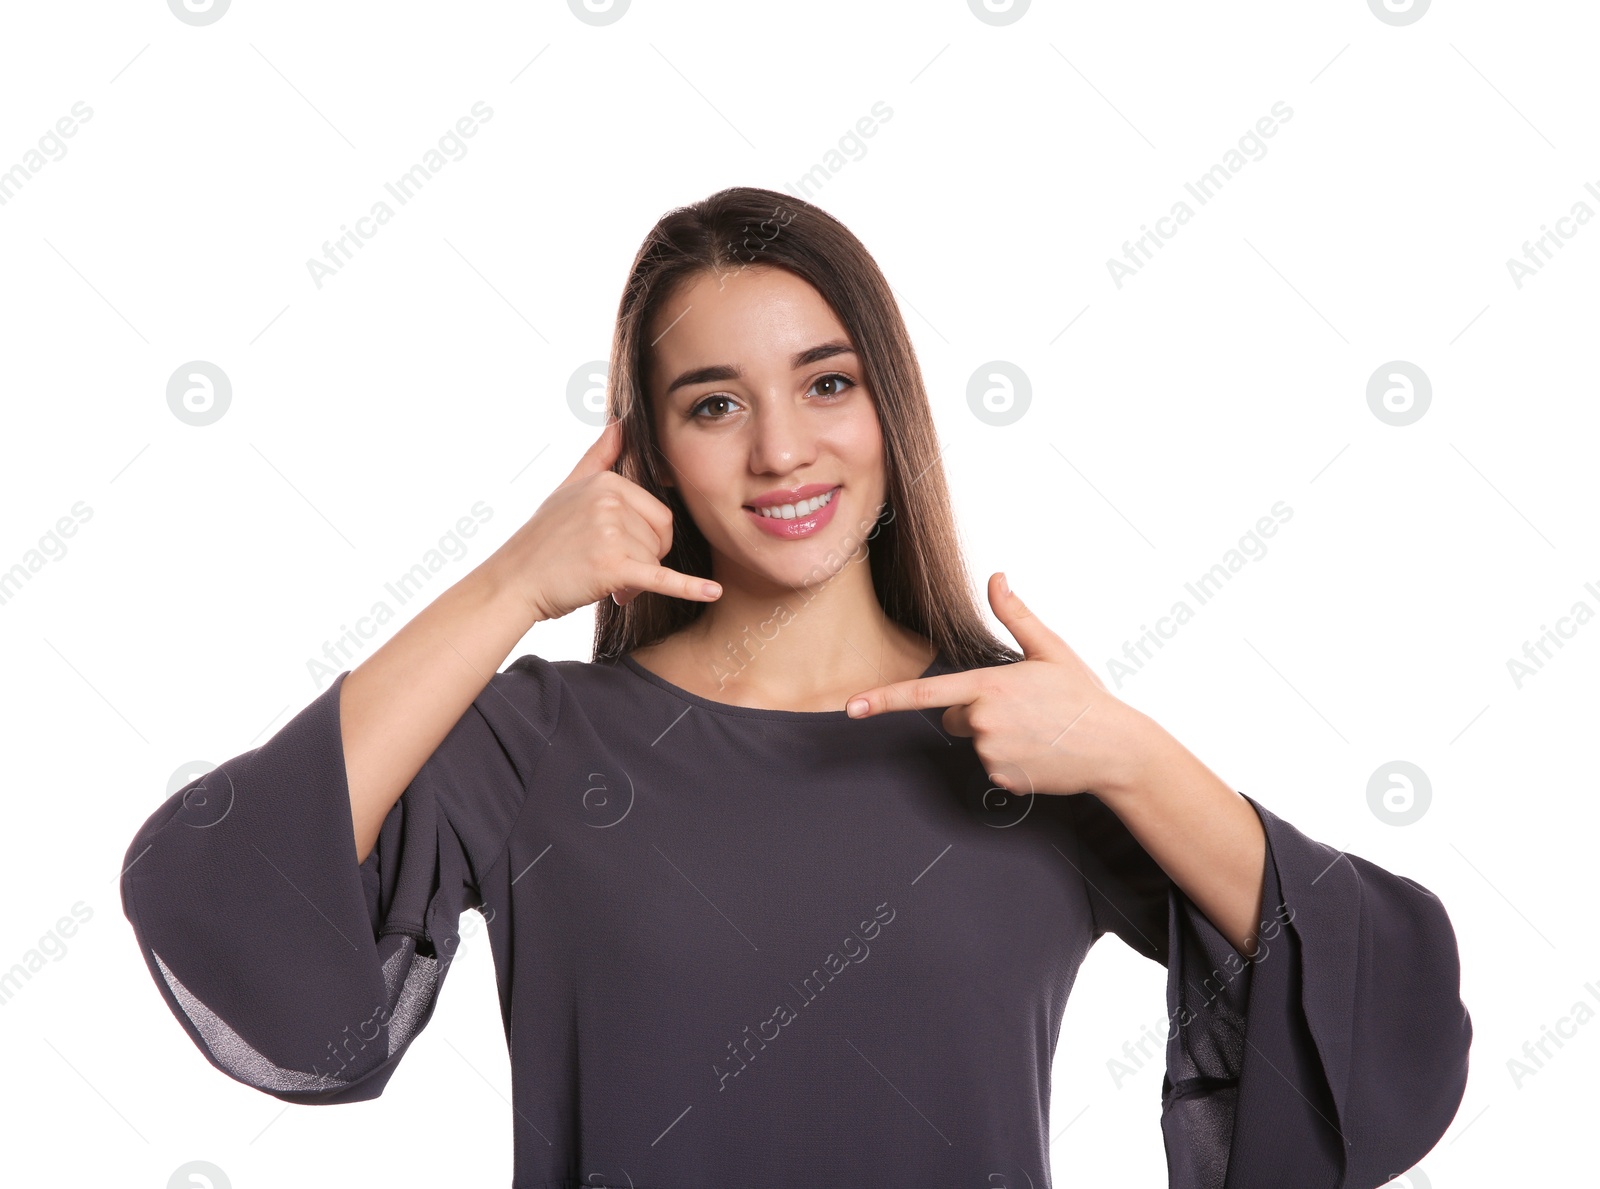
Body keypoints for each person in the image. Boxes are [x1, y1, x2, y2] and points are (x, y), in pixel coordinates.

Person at [120, 186, 1472, 1188]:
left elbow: (1386, 1018)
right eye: (713, 404)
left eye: (825, 383)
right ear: (649, 447)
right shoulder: (534, 746)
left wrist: (1131, 753)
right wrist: (511, 587)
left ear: (887, 402)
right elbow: (218, 890)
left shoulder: (1025, 744)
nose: (781, 449)